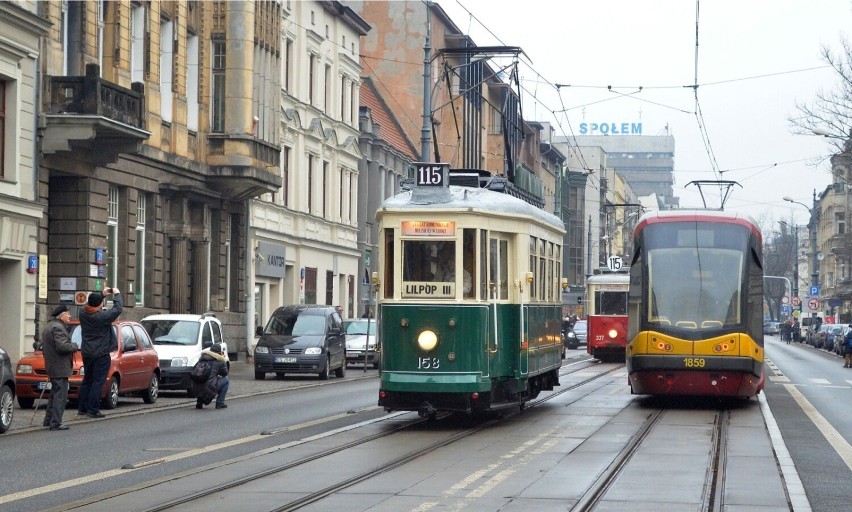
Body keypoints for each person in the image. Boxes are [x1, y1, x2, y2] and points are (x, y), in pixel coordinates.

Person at [77, 286, 122, 418]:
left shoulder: (83, 313)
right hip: (101, 353)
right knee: (98, 381)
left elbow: (92, 303)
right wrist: (117, 295)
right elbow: (118, 309)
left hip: (86, 352)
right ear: (99, 306)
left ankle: (82, 408)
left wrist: (101, 295)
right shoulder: (101, 316)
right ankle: (93, 409)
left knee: (87, 380)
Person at [41, 305, 78, 431]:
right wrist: (74, 346)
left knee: (54, 394)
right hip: (59, 366)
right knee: (60, 396)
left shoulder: (50, 326)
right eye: (68, 313)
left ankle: (48, 420)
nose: (70, 316)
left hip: (53, 365)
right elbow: (62, 347)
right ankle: (56, 422)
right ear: (61, 315)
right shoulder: (58, 328)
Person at [193, 343, 229, 409]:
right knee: (226, 380)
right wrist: (223, 359)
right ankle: (220, 403)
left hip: (196, 389)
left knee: (204, 379)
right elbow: (225, 373)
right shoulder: (219, 362)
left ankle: (199, 402)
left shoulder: (202, 358)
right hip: (210, 388)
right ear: (219, 352)